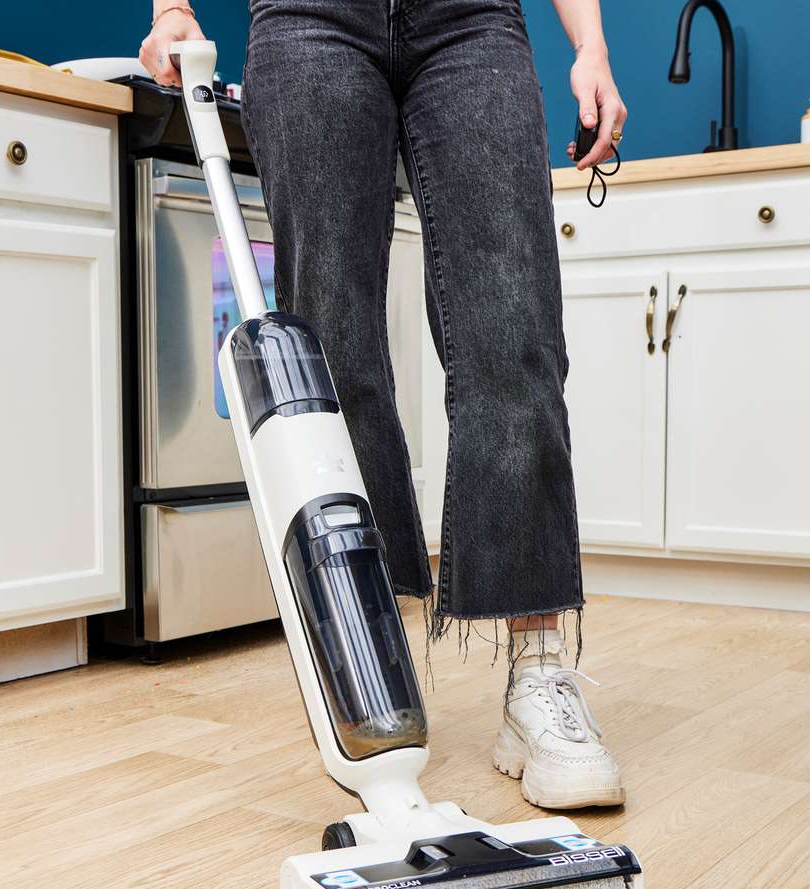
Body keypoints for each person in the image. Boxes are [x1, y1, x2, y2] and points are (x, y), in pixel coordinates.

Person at [140, 0, 628, 810]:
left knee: (515, 331)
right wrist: (172, 9)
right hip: (310, 20)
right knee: (335, 349)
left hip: (471, 21)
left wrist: (593, 46)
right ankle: (379, 673)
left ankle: (539, 675)